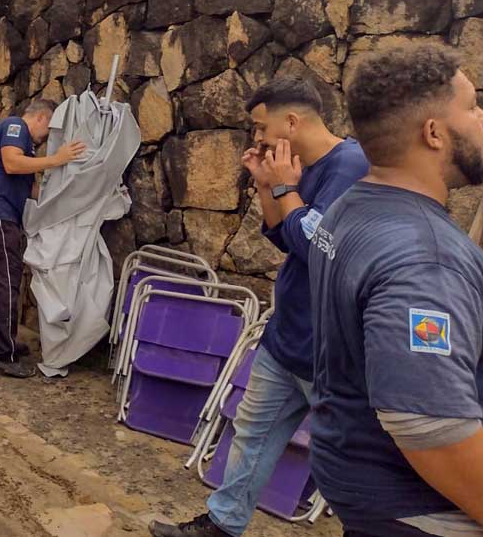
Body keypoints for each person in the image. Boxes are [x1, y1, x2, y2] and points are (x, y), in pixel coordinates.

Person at [150, 77, 369, 537]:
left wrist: (285, 187)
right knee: (251, 435)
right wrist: (268, 185)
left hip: (324, 351)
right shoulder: (299, 165)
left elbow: (315, 246)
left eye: (260, 127)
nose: (257, 138)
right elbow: (281, 236)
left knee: (342, 461)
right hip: (286, 337)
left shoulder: (349, 165)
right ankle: (223, 524)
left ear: (291, 121)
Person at [307, 46, 483, 536]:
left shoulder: (349, 207)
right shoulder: (425, 260)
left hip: (363, 484)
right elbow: (429, 426)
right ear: (433, 133)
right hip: (425, 513)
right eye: (471, 106)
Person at [0, 99, 86, 379]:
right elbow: (11, 163)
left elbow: (33, 190)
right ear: (42, 117)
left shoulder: (28, 148)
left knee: (3, 282)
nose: (47, 137)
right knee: (7, 282)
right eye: (48, 129)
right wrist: (58, 159)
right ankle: (2, 353)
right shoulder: (15, 126)